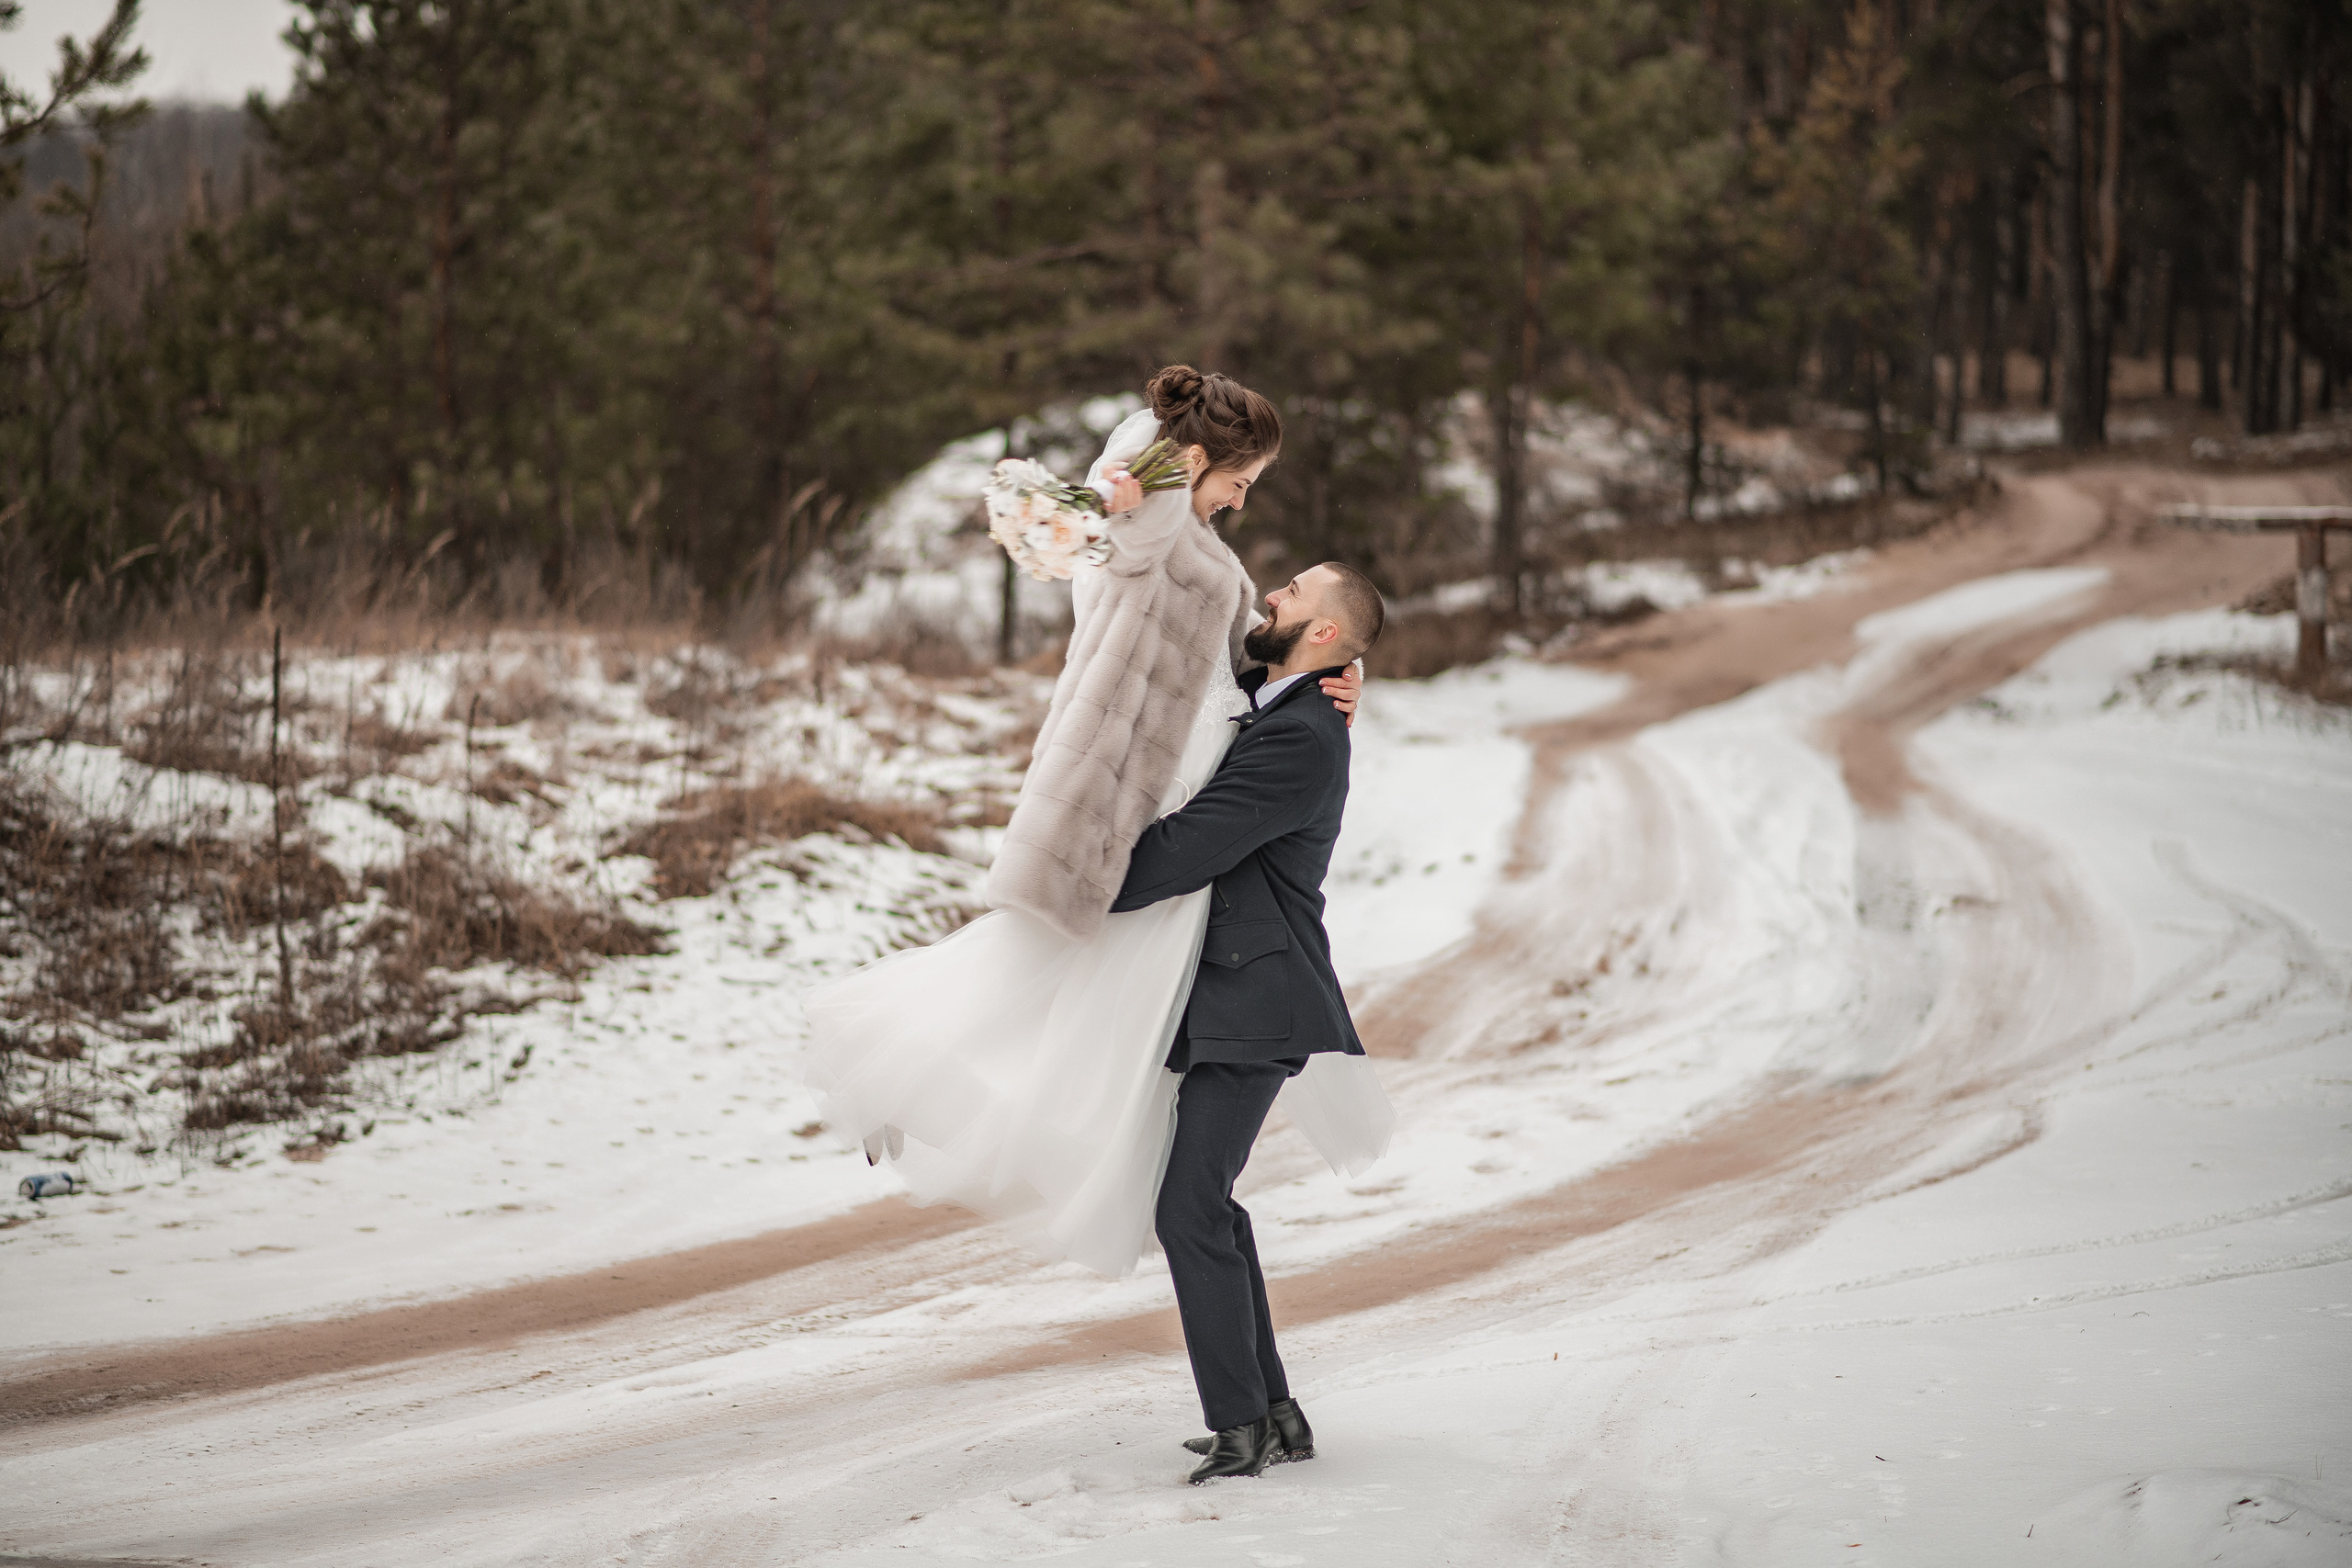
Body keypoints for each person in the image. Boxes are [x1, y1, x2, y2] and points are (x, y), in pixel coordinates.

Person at [802, 367, 1388, 1285]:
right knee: (1056, 979)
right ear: (1196, 461)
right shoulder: (1155, 534)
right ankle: (881, 1058)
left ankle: (912, 1076)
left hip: (1173, 776)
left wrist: (1326, 680)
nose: (1243, 500)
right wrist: (1127, 489)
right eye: (1242, 479)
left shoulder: (1197, 552)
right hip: (1145, 792)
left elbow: (1245, 657)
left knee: (1091, 1009)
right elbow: (1138, 520)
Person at [1108, 560, 1387, 1483]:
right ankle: (1275, 1413)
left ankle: (1241, 1428)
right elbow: (1222, 698)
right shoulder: (1286, 709)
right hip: (1240, 991)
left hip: (1258, 998)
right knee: (1207, 1206)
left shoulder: (1304, 736)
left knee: (1187, 1209)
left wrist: (1083, 881)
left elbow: (1196, 844)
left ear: (1321, 637)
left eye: (1296, 592)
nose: (1271, 592)